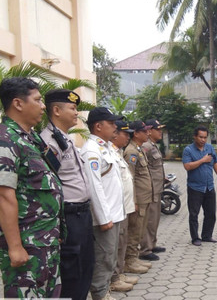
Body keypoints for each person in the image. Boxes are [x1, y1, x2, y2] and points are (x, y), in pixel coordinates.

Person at [0, 78, 63, 298]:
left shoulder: (30, 138)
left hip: (44, 239)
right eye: (38, 100)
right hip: (27, 244)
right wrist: (15, 247)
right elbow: (3, 196)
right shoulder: (3, 139)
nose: (42, 106)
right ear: (18, 104)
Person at [40, 89, 94, 300]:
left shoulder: (66, 139)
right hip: (69, 215)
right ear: (56, 110)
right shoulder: (48, 142)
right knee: (72, 270)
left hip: (82, 214)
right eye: (72, 108)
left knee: (86, 266)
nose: (76, 113)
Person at [80, 107, 126, 300]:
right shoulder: (91, 151)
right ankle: (100, 294)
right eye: (111, 123)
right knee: (103, 259)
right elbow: (94, 187)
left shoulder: (106, 147)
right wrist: (103, 218)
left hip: (115, 214)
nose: (116, 127)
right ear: (98, 126)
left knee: (110, 257)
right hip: (105, 218)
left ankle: (105, 290)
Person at [109, 119, 145, 292]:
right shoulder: (107, 152)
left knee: (124, 239)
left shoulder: (117, 152)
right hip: (117, 207)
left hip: (125, 205)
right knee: (118, 242)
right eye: (125, 133)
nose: (127, 137)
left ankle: (120, 271)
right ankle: (115, 276)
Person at [182, 125, 217, 246]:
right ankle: (195, 238)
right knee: (194, 214)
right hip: (195, 187)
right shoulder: (188, 150)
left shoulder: (210, 148)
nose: (203, 140)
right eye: (200, 137)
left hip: (209, 186)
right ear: (195, 136)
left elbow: (215, 163)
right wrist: (202, 160)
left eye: (205, 137)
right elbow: (187, 166)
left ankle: (207, 235)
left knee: (211, 213)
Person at [123, 121, 155, 271]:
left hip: (145, 198)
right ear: (136, 133)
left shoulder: (138, 149)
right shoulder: (131, 152)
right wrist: (133, 201)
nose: (148, 133)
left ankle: (134, 258)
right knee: (134, 231)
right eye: (145, 131)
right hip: (139, 200)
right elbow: (131, 178)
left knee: (140, 230)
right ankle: (129, 261)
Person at [139, 119, 167, 261]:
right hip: (150, 189)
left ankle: (152, 243)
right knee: (149, 220)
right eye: (158, 129)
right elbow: (143, 168)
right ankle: (145, 249)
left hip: (157, 188)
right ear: (150, 131)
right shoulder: (146, 146)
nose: (160, 132)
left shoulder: (153, 146)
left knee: (155, 219)